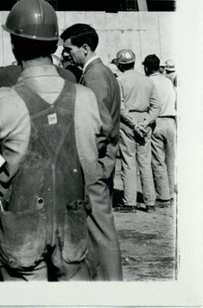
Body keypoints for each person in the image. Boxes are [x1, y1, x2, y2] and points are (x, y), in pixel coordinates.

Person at [0, 0, 108, 281]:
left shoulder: (2, 101)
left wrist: (2, 169)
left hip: (21, 232)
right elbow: (97, 152)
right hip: (73, 226)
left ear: (14, 46)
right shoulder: (85, 98)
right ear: (55, 45)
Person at [61, 22, 123, 280]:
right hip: (101, 162)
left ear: (85, 48)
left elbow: (101, 125)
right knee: (99, 231)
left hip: (94, 165)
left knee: (100, 231)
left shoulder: (94, 75)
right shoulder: (102, 72)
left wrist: (84, 158)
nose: (66, 55)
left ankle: (110, 285)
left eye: (69, 49)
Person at [113, 48, 159, 212]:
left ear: (119, 64)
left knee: (128, 162)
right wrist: (145, 123)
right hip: (144, 122)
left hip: (128, 123)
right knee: (145, 163)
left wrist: (134, 124)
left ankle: (130, 202)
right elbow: (156, 106)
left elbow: (121, 107)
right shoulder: (147, 80)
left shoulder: (119, 80)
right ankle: (150, 202)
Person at [143, 54, 176, 205]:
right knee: (172, 159)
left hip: (157, 122)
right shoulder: (168, 81)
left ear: (146, 68)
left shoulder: (148, 82)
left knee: (158, 161)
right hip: (171, 121)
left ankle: (164, 195)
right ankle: (173, 191)